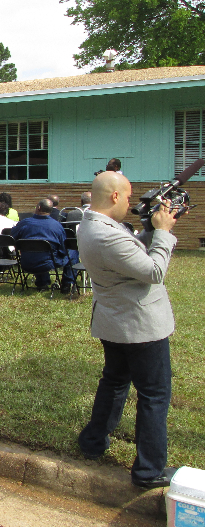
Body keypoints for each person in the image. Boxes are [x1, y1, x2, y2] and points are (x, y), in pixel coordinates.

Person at [77, 171, 179, 489]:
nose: (132, 203)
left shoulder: (91, 224)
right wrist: (162, 233)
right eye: (130, 196)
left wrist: (150, 228)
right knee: (154, 395)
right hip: (140, 326)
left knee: (115, 381)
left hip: (115, 322)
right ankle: (149, 470)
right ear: (116, 197)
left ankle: (93, 441)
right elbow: (153, 270)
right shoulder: (106, 234)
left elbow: (131, 255)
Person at [10, 199, 77, 293]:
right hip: (48, 263)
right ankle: (67, 283)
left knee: (39, 252)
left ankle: (42, 283)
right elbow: (62, 250)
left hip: (26, 262)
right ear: (51, 210)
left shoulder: (24, 223)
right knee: (73, 251)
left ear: (39, 207)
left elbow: (12, 237)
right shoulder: (57, 226)